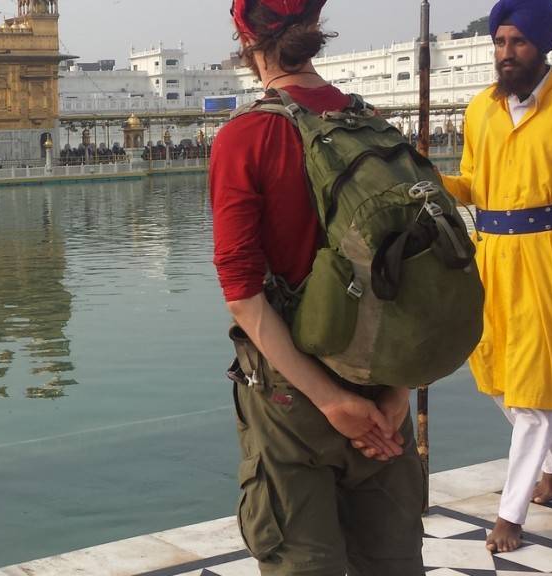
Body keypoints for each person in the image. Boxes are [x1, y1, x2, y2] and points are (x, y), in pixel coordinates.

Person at [211, 1, 424, 573]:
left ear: (247, 38)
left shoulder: (245, 137)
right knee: (393, 562)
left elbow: (243, 294)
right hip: (384, 384)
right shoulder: (373, 122)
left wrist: (331, 403)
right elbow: (414, 272)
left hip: (293, 404)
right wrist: (395, 395)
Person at [439, 0, 552, 554]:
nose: (505, 54)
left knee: (534, 388)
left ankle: (510, 515)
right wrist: (426, 178)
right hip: (489, 255)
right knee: (494, 375)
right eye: (499, 42)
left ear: (543, 47)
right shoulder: (479, 110)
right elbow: (471, 182)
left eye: (517, 43)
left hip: (548, 259)